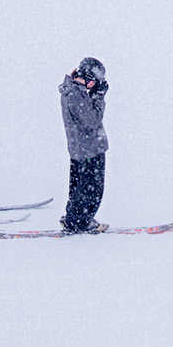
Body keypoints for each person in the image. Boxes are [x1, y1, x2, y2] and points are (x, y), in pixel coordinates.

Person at [59, 57, 110, 233]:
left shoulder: (74, 91)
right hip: (88, 149)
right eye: (95, 82)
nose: (95, 86)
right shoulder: (75, 95)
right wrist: (99, 97)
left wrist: (93, 95)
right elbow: (93, 119)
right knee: (91, 191)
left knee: (80, 188)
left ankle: (74, 220)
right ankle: (81, 222)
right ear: (88, 77)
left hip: (82, 148)